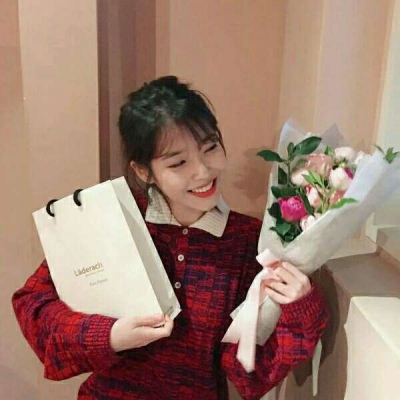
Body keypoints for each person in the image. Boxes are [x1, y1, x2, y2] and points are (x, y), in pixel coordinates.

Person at [12, 76, 328, 400]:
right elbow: (33, 304)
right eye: (179, 162)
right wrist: (110, 336)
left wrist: (301, 309)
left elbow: (248, 373)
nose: (203, 171)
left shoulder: (249, 242)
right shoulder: (113, 219)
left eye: (210, 148)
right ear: (144, 171)